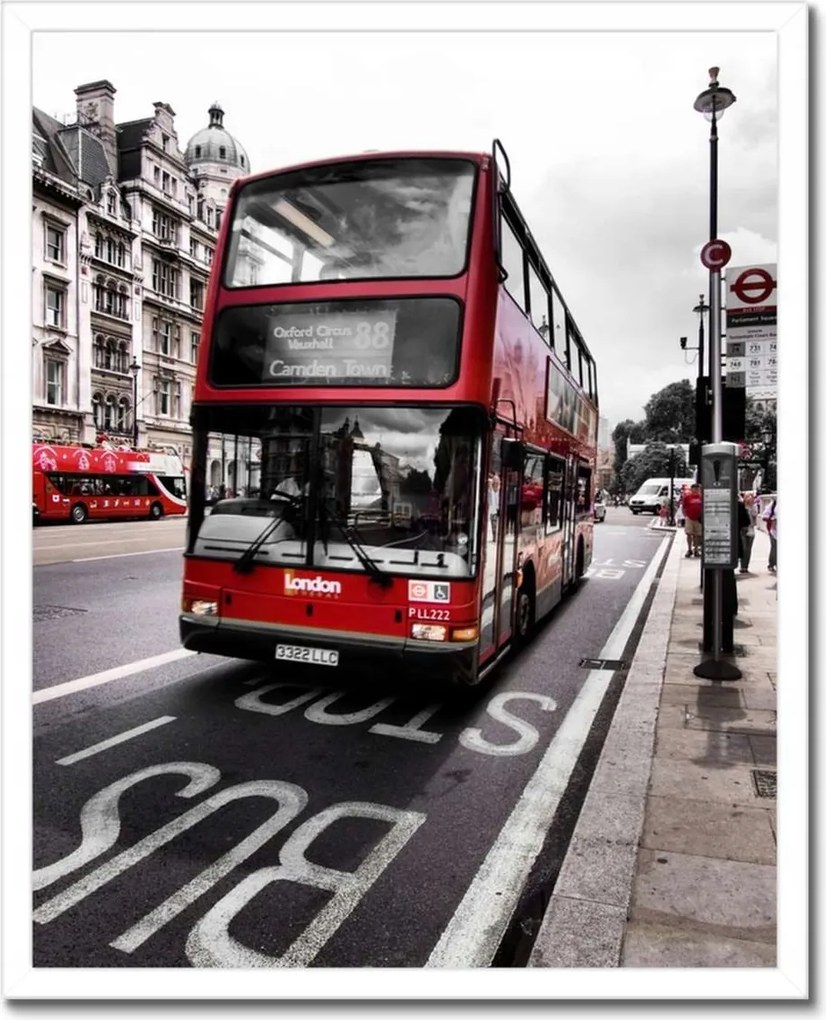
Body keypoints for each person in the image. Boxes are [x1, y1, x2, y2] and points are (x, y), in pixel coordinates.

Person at [738, 492, 759, 573]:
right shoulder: (741, 506)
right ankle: (742, 565)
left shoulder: (754, 507)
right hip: (743, 529)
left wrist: (751, 508)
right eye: (747, 497)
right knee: (744, 548)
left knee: (748, 550)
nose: (748, 499)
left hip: (750, 530)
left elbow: (754, 520)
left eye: (750, 497)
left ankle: (745, 566)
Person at [681, 482, 703, 557]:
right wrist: (685, 516)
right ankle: (689, 549)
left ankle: (696, 550)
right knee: (689, 534)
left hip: (698, 518)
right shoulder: (687, 497)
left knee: (697, 535)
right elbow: (683, 507)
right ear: (692, 489)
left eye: (697, 488)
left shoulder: (701, 497)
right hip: (689, 517)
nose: (696, 490)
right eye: (694, 488)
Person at [762, 497, 777, 572]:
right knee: (774, 547)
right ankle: (771, 564)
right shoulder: (773, 504)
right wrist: (773, 519)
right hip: (774, 530)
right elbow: (764, 516)